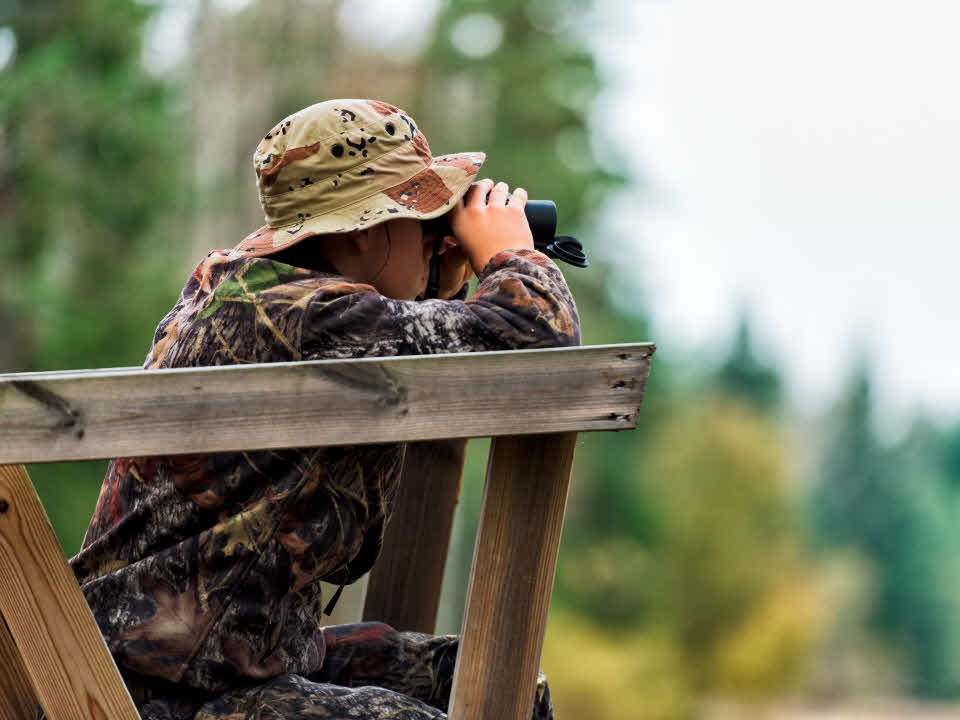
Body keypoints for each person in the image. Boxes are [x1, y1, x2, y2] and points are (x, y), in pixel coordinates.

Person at [69, 99, 580, 720]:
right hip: (160, 693)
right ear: (364, 231)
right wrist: (509, 252)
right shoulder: (314, 316)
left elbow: (418, 336)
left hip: (226, 658)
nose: (434, 237)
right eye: (422, 221)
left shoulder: (246, 294)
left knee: (503, 683)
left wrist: (434, 274)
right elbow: (533, 336)